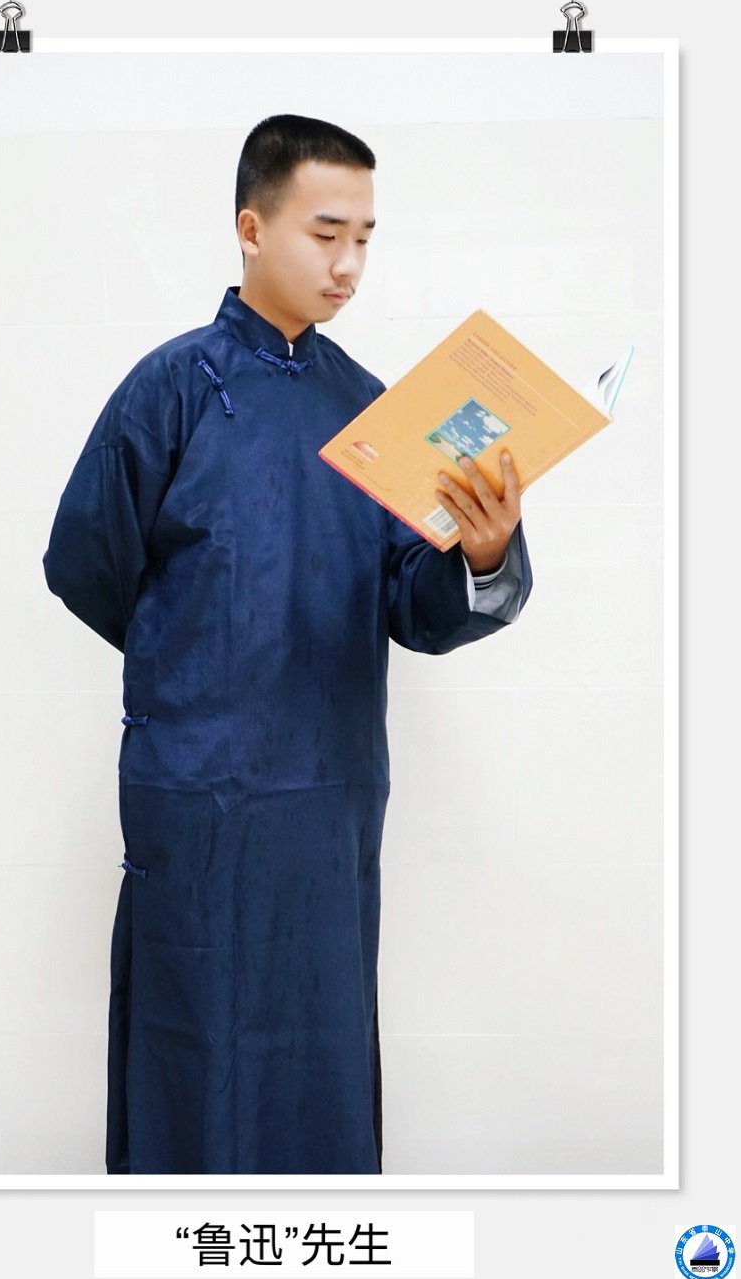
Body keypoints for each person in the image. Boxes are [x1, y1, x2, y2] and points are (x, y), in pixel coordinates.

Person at [43, 113, 532, 1176]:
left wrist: (483, 551)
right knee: (190, 1034)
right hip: (197, 799)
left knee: (321, 1043)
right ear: (252, 228)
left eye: (364, 237)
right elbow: (84, 562)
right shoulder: (173, 390)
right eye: (325, 233)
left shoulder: (376, 413)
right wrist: (192, 664)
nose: (348, 263)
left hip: (328, 798)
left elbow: (418, 603)